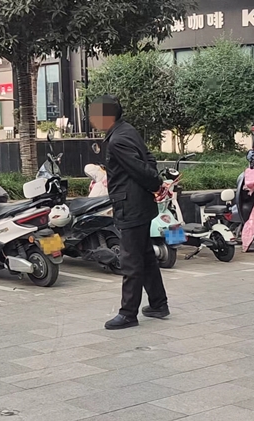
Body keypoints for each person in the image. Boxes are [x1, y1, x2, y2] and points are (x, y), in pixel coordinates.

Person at [89, 95, 170, 330]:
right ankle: (158, 304)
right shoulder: (127, 130)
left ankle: (128, 313)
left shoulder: (117, 140)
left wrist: (155, 184)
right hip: (139, 204)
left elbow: (140, 169)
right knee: (145, 256)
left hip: (131, 206)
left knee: (131, 260)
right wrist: (154, 182)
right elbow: (149, 159)